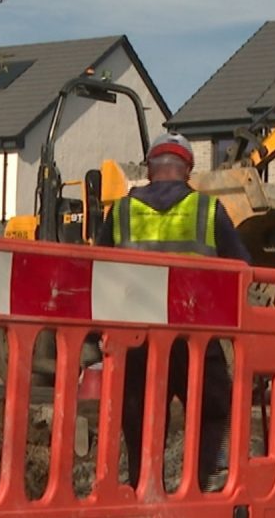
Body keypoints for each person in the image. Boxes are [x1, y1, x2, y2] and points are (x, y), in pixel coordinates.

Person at [98, 132, 250, 491]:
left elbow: (97, 268)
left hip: (136, 336)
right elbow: (242, 267)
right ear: (188, 171)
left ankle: (142, 488)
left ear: (149, 169)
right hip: (193, 335)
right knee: (214, 408)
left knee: (140, 417)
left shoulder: (120, 211)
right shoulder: (207, 209)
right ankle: (203, 483)